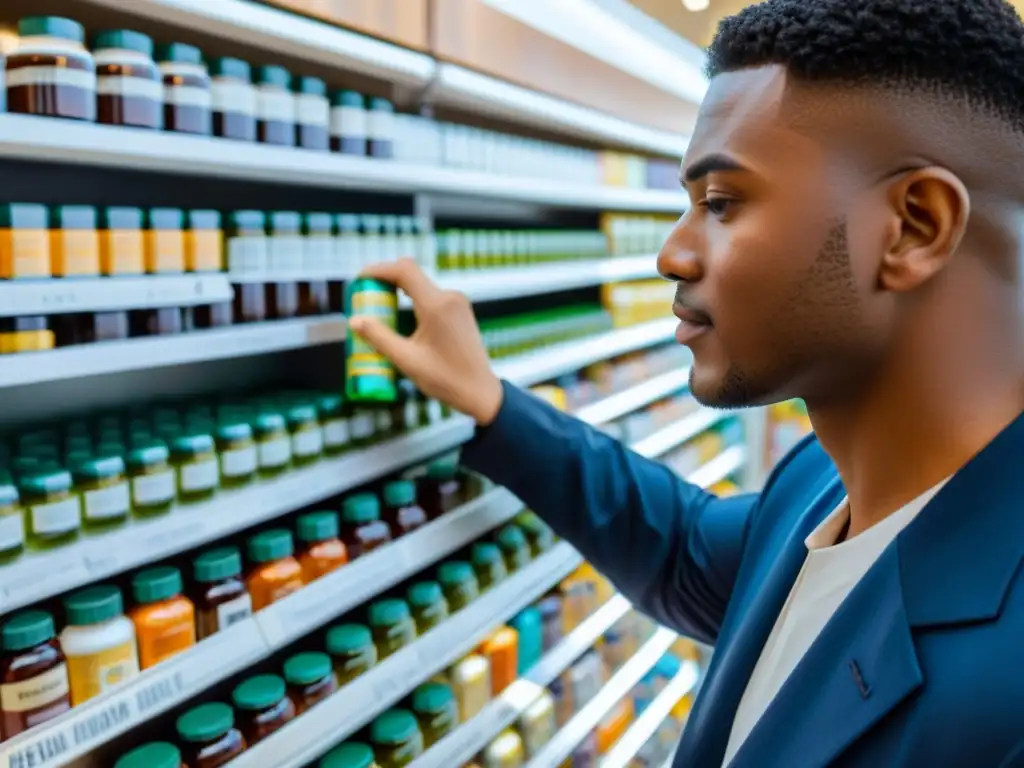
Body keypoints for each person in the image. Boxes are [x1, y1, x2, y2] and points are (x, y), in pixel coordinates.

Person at [350, 0, 1024, 764]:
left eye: (721, 202)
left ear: (913, 227)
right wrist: (492, 404)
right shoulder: (823, 482)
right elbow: (679, 550)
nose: (671, 253)